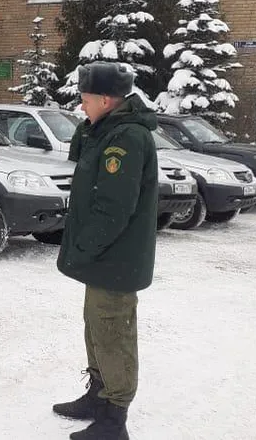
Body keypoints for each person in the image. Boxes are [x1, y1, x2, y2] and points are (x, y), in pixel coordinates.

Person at [52, 61, 158, 440]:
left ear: (106, 99)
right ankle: (98, 396)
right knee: (96, 325)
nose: (81, 106)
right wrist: (90, 126)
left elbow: (113, 208)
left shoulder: (126, 138)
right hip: (104, 257)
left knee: (113, 331)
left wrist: (84, 247)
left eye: (85, 99)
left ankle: (115, 418)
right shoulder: (106, 130)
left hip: (115, 256)